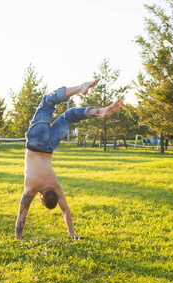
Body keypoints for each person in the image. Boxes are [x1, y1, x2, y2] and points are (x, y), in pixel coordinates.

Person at [15, 77, 123, 240]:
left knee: (70, 115)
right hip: (36, 142)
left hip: (50, 146)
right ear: (42, 198)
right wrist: (18, 237)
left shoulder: (56, 185)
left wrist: (71, 232)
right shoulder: (31, 189)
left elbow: (65, 209)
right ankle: (82, 90)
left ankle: (98, 111)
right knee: (47, 102)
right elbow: (22, 213)